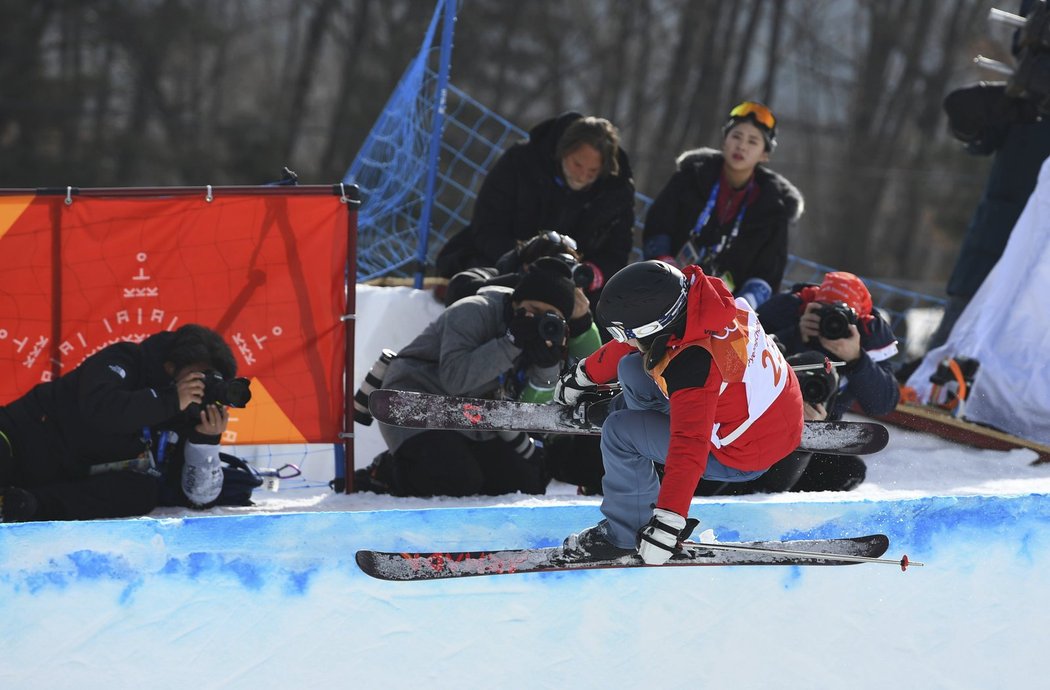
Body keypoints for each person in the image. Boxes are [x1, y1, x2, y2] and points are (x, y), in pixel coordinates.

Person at [551, 260, 805, 564]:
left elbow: (689, 446)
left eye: (625, 333)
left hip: (744, 455)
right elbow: (638, 343)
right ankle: (642, 429)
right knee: (633, 367)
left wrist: (667, 524)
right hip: (772, 411)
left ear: (651, 329)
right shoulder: (700, 298)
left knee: (618, 431)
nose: (623, 340)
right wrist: (585, 374)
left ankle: (623, 533)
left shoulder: (694, 368)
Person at [365, 264, 587, 497]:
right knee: (457, 481)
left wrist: (548, 365)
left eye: (550, 316)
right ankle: (386, 472)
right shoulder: (471, 311)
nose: (539, 320)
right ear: (515, 303)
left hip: (474, 417)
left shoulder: (550, 336)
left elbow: (536, 404)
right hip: (416, 405)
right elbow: (455, 380)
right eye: (533, 309)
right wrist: (510, 343)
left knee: (524, 485)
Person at [0, 324, 237, 522]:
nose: (201, 388)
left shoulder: (186, 412)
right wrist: (170, 399)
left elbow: (199, 499)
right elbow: (101, 408)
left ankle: (25, 506)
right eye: (198, 377)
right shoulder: (127, 359)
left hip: (49, 481)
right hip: (16, 442)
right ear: (170, 366)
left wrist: (204, 442)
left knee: (142, 492)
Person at [435, 112, 636, 306]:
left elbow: (616, 253)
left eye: (593, 171)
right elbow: (486, 227)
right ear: (563, 151)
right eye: (577, 164)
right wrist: (521, 259)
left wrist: (589, 273)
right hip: (500, 261)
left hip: (571, 284)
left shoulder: (616, 192)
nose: (583, 176)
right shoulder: (520, 162)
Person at [744, 271, 899, 492]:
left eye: (842, 318)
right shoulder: (787, 312)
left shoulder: (868, 336)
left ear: (858, 320)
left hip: (817, 433)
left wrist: (857, 359)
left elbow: (883, 403)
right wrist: (795, 334)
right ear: (810, 305)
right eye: (822, 312)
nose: (832, 323)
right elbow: (744, 358)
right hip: (760, 423)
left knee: (849, 470)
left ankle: (790, 501)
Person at [642, 101, 803, 309]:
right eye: (736, 136)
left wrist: (740, 307)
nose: (741, 146)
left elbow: (767, 274)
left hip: (723, 311)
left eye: (753, 141)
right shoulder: (690, 177)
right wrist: (666, 269)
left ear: (765, 154)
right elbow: (658, 225)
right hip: (664, 290)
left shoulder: (774, 209)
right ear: (724, 139)